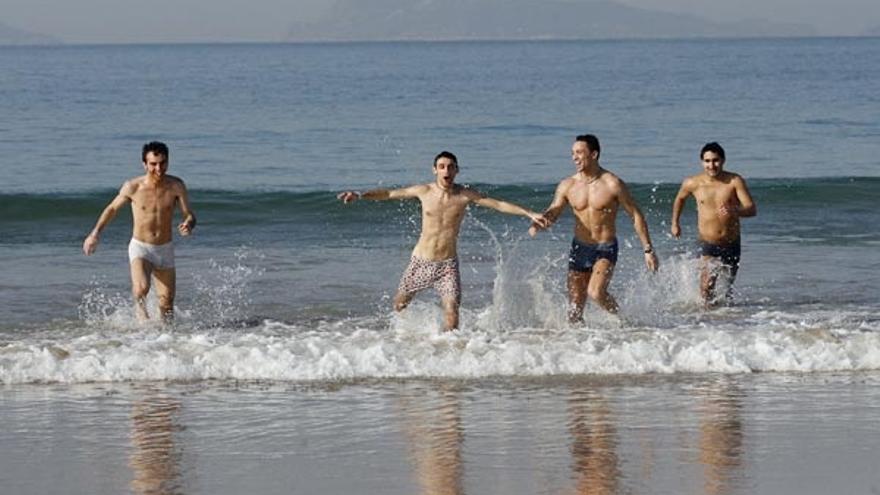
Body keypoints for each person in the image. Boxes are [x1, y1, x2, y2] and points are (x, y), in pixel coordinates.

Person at [337, 151, 547, 331]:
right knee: (400, 306)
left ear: (457, 170)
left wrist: (529, 213)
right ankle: (402, 341)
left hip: (448, 265)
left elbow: (499, 204)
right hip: (421, 262)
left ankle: (449, 354)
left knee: (452, 313)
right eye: (442, 166)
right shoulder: (424, 191)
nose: (446, 171)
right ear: (434, 169)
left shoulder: (464, 195)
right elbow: (390, 193)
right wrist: (360, 194)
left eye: (450, 167)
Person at [529, 134, 658, 323]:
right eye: (573, 153)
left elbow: (636, 215)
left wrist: (648, 249)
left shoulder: (612, 184)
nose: (574, 157)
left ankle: (625, 321)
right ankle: (582, 347)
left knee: (596, 292)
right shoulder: (568, 185)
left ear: (594, 154)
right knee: (574, 312)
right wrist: (540, 222)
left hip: (605, 248)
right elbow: (554, 210)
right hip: (579, 247)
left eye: (580, 152)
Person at [83, 141, 196, 322]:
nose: (158, 168)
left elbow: (188, 213)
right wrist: (94, 233)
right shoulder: (133, 186)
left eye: (162, 163)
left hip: (165, 249)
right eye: (153, 164)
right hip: (141, 247)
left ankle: (166, 342)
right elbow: (112, 209)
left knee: (167, 305)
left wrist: (189, 223)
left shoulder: (176, 186)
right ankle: (140, 315)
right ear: (144, 164)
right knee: (142, 287)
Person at [670, 142, 756, 305]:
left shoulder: (734, 181)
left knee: (726, 289)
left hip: (732, 242)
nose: (712, 165)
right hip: (707, 243)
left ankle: (721, 323)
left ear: (723, 160)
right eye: (707, 161)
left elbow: (751, 209)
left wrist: (735, 211)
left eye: (715, 160)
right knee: (707, 286)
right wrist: (675, 223)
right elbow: (679, 199)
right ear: (702, 162)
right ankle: (704, 319)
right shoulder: (692, 183)